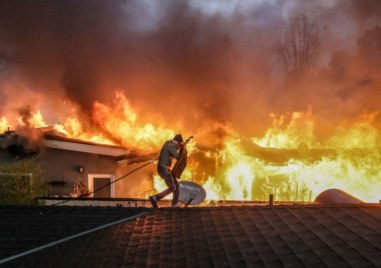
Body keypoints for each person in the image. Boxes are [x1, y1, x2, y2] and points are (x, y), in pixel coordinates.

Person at [149, 134, 185, 208]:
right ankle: (155, 198)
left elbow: (174, 151)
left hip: (166, 169)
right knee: (172, 187)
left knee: (177, 186)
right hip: (163, 169)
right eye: (179, 143)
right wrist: (182, 148)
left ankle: (174, 204)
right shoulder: (170, 146)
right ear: (178, 142)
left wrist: (180, 147)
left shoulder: (169, 144)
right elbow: (178, 157)